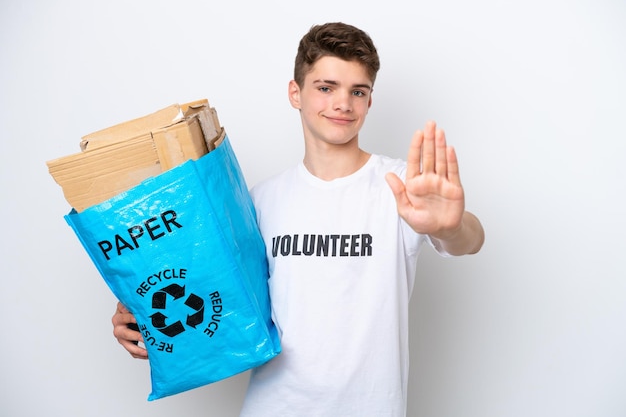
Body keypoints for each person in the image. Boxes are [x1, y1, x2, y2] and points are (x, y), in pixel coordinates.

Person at [112, 21, 484, 416]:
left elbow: (469, 240)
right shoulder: (261, 200)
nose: (343, 104)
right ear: (296, 93)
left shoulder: (401, 185)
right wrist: (146, 317)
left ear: (370, 101)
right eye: (326, 88)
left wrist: (451, 227)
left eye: (358, 91)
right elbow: (217, 298)